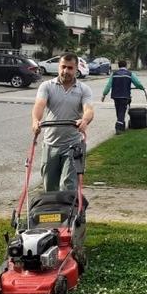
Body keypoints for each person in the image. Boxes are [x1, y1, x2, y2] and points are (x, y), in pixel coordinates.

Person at [32, 53, 95, 192]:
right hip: (50, 145)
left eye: (70, 68)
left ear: (76, 68)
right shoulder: (47, 86)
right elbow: (39, 105)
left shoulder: (84, 89)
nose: (66, 71)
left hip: (73, 145)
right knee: (50, 186)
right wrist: (36, 121)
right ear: (58, 66)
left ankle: (68, 214)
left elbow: (89, 110)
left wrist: (84, 120)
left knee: (68, 186)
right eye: (63, 67)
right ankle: (52, 213)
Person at [101, 60, 144, 134]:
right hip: (124, 96)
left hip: (115, 96)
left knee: (119, 111)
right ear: (126, 66)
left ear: (118, 66)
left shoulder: (114, 74)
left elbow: (108, 85)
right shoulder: (130, 74)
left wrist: (104, 94)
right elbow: (137, 83)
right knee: (122, 111)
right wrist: (141, 87)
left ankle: (122, 126)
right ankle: (118, 127)